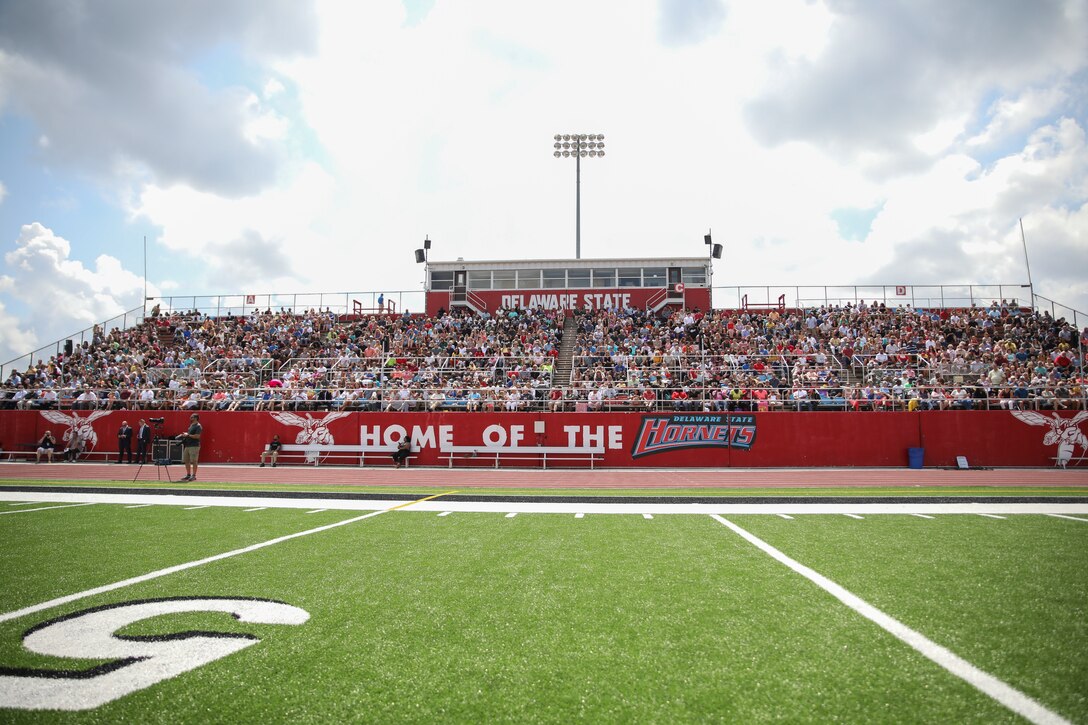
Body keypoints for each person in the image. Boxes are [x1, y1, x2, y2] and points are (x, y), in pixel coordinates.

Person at [177, 413, 202, 482]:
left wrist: (188, 435)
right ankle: (188, 474)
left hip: (194, 446)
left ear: (196, 418)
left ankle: (194, 475)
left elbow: (197, 436)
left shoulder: (198, 426)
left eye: (192, 417)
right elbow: (190, 434)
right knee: (186, 461)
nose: (190, 418)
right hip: (188, 445)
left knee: (194, 461)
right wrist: (185, 435)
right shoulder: (191, 425)